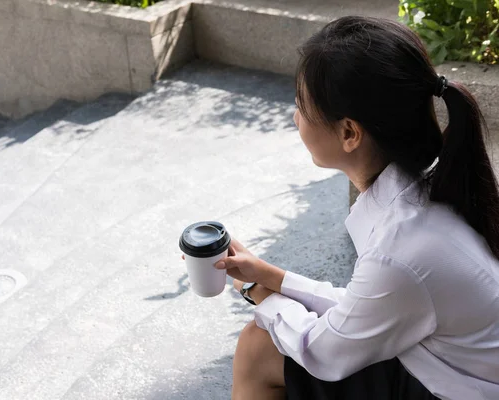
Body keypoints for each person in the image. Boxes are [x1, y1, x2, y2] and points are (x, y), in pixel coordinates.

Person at [213, 16, 499, 400]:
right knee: (263, 342)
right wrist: (275, 278)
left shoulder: (403, 246)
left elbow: (325, 351)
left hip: (459, 389)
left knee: (258, 347)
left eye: (301, 104)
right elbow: (366, 308)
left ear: (349, 133)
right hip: (446, 366)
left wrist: (257, 291)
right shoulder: (426, 191)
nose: (295, 116)